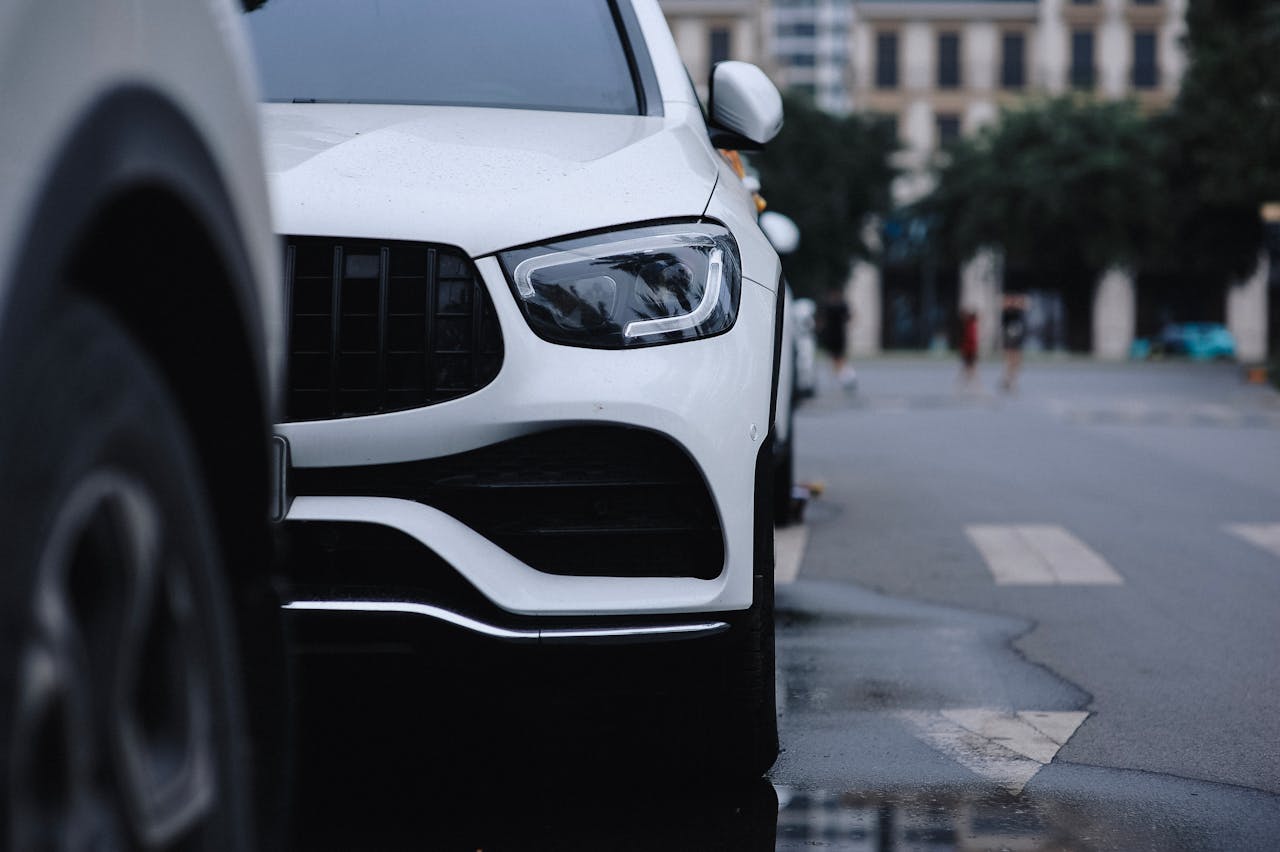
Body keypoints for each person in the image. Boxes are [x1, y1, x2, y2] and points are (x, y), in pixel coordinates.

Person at [817, 288, 857, 392]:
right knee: (837, 358)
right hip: (835, 334)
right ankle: (845, 377)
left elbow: (823, 320)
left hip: (835, 334)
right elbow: (849, 317)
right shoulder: (838, 305)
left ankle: (846, 377)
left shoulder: (833, 305)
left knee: (837, 358)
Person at [1000, 293, 1028, 392]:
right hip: (1009, 339)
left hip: (1017, 339)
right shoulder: (1006, 313)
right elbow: (1004, 304)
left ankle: (1010, 380)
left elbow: (1025, 305)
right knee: (1010, 360)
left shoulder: (1019, 312)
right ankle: (1008, 380)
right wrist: (1010, 302)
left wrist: (1017, 302)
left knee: (1017, 362)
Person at [958, 308, 979, 387]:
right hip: (968, 349)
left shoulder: (970, 325)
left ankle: (967, 383)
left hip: (969, 349)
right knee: (969, 367)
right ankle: (968, 383)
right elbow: (970, 339)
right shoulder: (968, 325)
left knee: (969, 367)